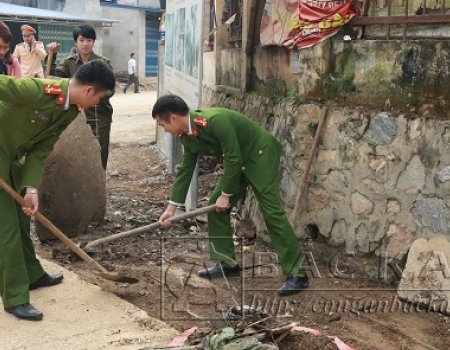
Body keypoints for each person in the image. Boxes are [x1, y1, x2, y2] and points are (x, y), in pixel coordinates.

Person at [152, 94, 309, 296]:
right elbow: (186, 170)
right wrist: (171, 209)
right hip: (238, 163)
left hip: (259, 155)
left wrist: (226, 195)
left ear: (173, 118)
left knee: (272, 213)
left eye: (163, 125)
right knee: (215, 207)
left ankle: (298, 274)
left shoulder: (215, 121)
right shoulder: (187, 136)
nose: (165, 130)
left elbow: (233, 158)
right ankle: (227, 262)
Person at [0, 60, 116, 321]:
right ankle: (15, 297)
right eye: (99, 97)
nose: (97, 103)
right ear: (88, 91)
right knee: (5, 229)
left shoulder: (70, 110)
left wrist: (31, 187)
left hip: (13, 160)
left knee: (20, 221)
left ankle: (32, 275)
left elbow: (40, 149)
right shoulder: (38, 90)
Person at [54, 24, 114, 170]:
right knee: (74, 151)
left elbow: (110, 89)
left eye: (89, 40)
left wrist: (95, 96)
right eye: (81, 40)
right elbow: (54, 81)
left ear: (94, 42)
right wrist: (52, 55)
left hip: (99, 116)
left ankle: (98, 187)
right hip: (74, 115)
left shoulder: (103, 63)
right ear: (76, 42)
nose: (85, 44)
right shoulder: (67, 63)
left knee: (100, 151)